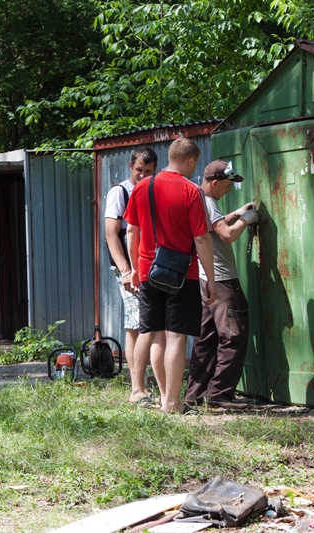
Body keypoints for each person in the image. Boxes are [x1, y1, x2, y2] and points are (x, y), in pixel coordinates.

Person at [123, 138, 216, 414]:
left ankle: (152, 393)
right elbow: (201, 238)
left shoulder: (143, 187)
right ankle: (172, 402)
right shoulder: (191, 191)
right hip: (181, 274)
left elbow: (131, 231)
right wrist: (209, 278)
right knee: (176, 337)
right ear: (190, 160)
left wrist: (135, 269)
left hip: (149, 272)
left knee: (154, 334)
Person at [185, 160, 258, 409]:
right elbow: (226, 235)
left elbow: (213, 225)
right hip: (223, 281)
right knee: (233, 338)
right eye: (226, 186)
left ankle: (194, 395)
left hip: (205, 280)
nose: (228, 191)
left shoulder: (195, 197)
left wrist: (236, 213)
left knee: (205, 341)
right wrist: (246, 220)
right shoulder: (208, 201)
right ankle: (218, 396)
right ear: (214, 183)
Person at [104, 146, 158, 405]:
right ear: (130, 166)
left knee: (137, 324)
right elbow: (111, 233)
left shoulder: (152, 191)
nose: (143, 176)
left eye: (148, 172)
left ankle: (142, 384)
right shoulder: (120, 192)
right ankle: (137, 388)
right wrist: (126, 270)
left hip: (150, 267)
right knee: (139, 323)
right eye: (139, 170)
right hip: (128, 269)